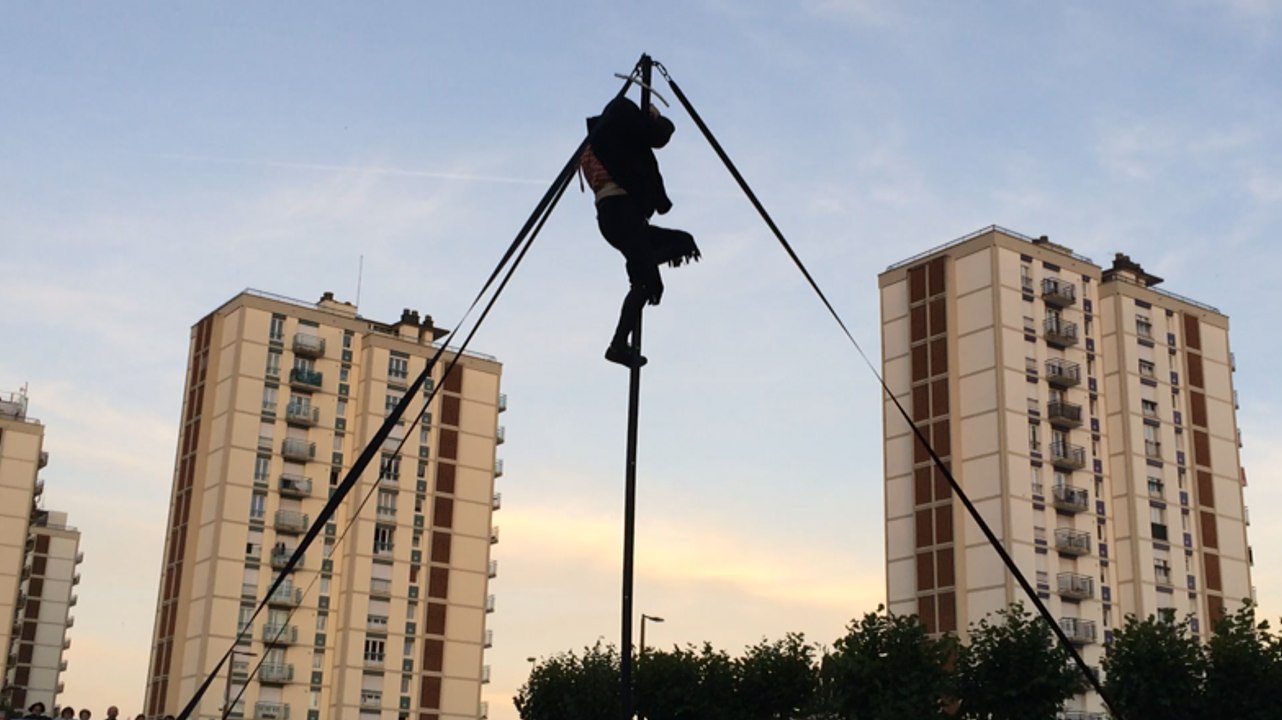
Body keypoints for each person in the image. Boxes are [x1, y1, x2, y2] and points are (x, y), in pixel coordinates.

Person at [583, 94, 700, 368]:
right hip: (621, 213)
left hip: (618, 218)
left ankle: (640, 270)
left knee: (683, 244)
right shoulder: (621, 117)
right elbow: (657, 136)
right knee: (650, 281)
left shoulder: (605, 136)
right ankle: (617, 345)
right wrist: (656, 118)